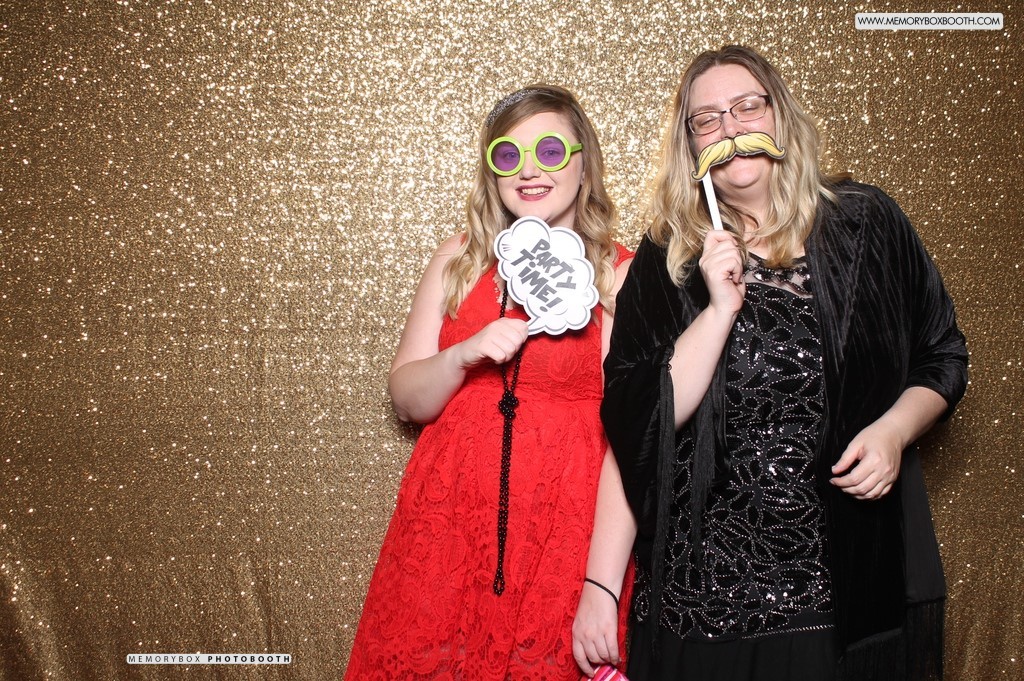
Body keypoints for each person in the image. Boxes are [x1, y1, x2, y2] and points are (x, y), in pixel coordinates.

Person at [572, 45, 968, 681]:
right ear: (690, 145)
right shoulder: (667, 258)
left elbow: (941, 354)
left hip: (839, 588)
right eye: (707, 120)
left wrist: (895, 431)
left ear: (779, 114)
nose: (731, 129)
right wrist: (718, 310)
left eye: (747, 107)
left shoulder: (866, 222)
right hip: (700, 598)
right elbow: (638, 424)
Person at [345, 84, 633, 680]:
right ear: (491, 170)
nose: (529, 170)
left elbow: (632, 433)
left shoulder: (617, 273)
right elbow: (407, 399)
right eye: (509, 155)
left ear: (584, 163)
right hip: (448, 533)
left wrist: (600, 583)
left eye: (550, 151)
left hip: (564, 534)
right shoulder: (459, 259)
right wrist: (463, 355)